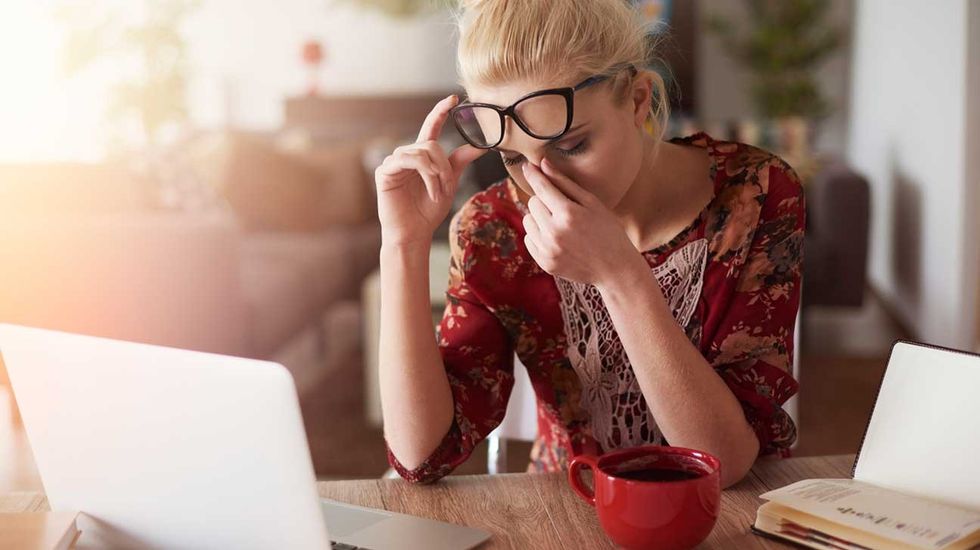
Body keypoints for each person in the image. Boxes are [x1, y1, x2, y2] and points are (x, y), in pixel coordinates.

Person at [375, 0, 804, 489]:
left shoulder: (754, 193)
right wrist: (402, 244)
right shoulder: (494, 228)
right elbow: (421, 456)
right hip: (568, 506)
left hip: (729, 517)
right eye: (513, 158)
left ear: (639, 99)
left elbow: (724, 463)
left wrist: (620, 276)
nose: (544, 184)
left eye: (571, 145)